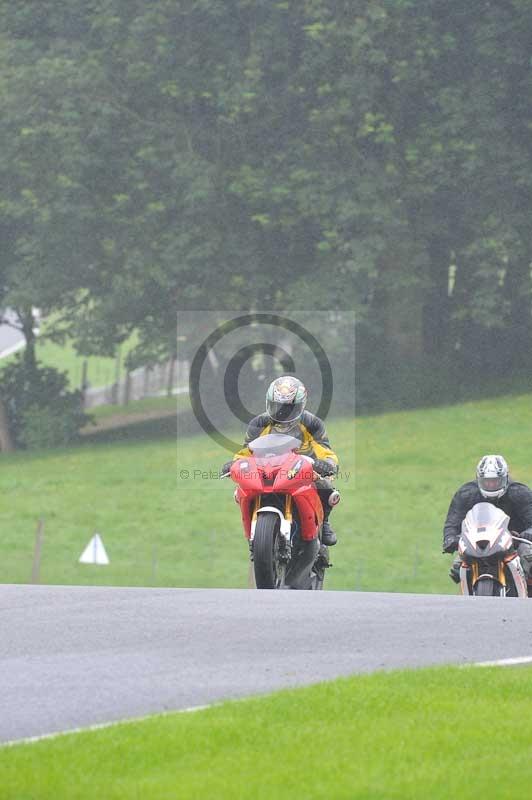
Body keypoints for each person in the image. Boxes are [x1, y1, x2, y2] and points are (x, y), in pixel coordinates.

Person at [222, 375, 339, 546]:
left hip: (305, 469)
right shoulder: (259, 423)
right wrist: (234, 464)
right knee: (242, 489)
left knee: (326, 487)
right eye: (277, 406)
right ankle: (256, 530)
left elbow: (325, 450)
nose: (282, 412)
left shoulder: (312, 423)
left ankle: (325, 523)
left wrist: (327, 464)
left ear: (301, 405)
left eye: (288, 408)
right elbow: (246, 451)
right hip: (269, 468)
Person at [443, 454, 532, 590]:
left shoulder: (520, 492)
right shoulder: (466, 493)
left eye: (495, 481)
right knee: (458, 566)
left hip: (516, 540)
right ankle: (467, 598)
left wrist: (527, 534)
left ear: (505, 478)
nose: (491, 485)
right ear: (479, 479)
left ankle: (526, 593)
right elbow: (453, 521)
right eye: (487, 481)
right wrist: (450, 538)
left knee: (528, 556)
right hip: (477, 540)